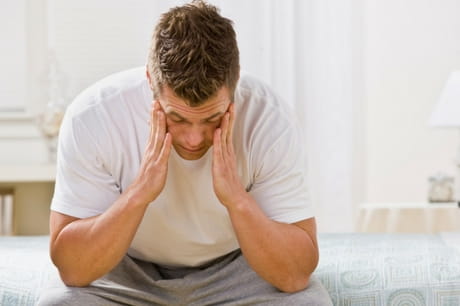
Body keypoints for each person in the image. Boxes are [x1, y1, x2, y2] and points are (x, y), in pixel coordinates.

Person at [38, 1, 332, 305]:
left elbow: (296, 274)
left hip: (239, 266)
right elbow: (73, 269)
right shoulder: (93, 116)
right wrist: (139, 193)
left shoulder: (270, 120)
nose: (194, 139)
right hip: (124, 269)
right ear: (151, 81)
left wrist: (236, 198)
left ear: (236, 83)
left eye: (211, 118)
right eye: (176, 118)